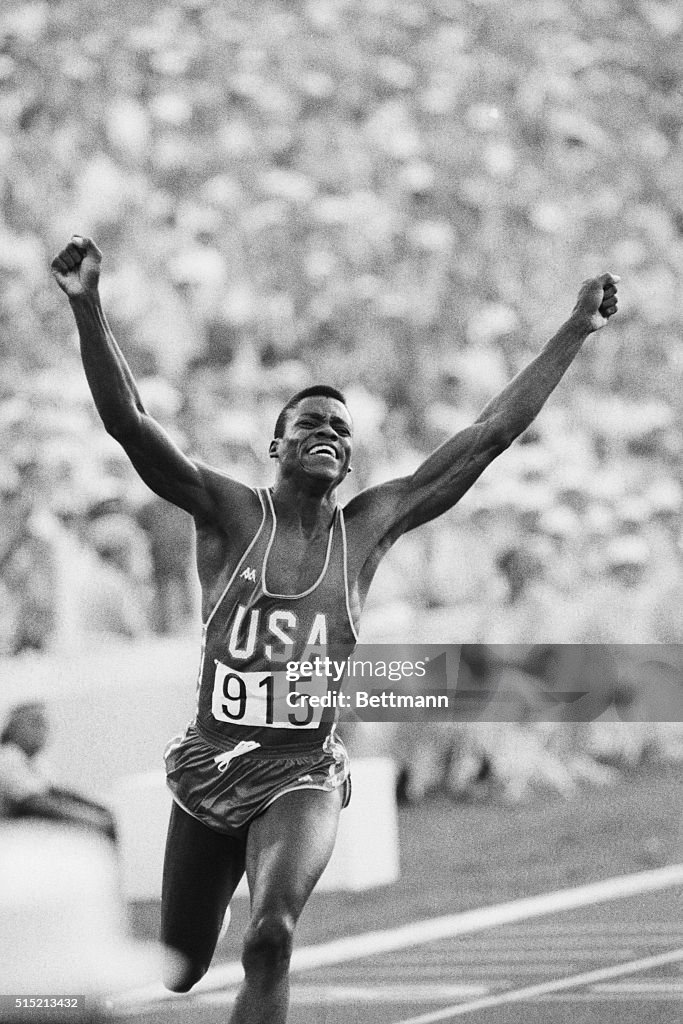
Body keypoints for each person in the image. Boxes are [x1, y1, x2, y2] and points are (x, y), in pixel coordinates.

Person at [51, 235, 619, 1024]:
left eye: (342, 430)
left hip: (302, 771)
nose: (329, 433)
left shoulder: (371, 527)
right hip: (209, 764)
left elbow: (487, 436)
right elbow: (131, 423)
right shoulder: (227, 513)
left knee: (271, 937)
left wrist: (573, 329)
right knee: (180, 965)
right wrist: (88, 306)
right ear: (275, 444)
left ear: (350, 461)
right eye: (311, 422)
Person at [0, 701, 117, 842]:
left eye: (45, 725)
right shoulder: (8, 757)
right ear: (13, 729)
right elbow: (34, 802)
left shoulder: (37, 762)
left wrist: (101, 810)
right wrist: (90, 818)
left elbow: (57, 793)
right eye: (35, 723)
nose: (42, 730)